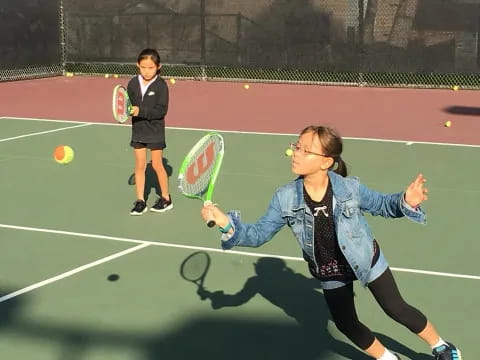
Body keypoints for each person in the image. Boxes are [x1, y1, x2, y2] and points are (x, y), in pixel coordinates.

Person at [200, 126, 461, 360]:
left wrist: (405, 200)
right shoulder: (285, 198)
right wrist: (226, 223)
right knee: (347, 324)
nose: (295, 153)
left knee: (396, 308)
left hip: (365, 258)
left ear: (326, 161)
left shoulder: (349, 188)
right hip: (330, 271)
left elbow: (382, 204)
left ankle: (442, 347)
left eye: (304, 149)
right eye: (296, 146)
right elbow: (258, 235)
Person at [127, 48, 172, 215]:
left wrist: (141, 111)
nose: (147, 71)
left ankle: (166, 199)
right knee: (140, 166)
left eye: (151, 67)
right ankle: (140, 201)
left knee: (157, 165)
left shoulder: (161, 86)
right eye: (143, 67)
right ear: (137, 65)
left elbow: (161, 111)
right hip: (138, 130)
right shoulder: (132, 83)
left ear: (158, 67)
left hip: (155, 131)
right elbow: (127, 105)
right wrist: (125, 112)